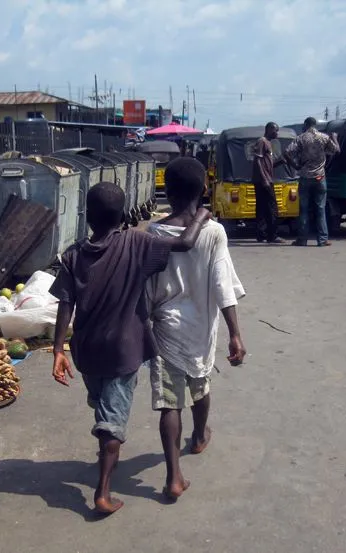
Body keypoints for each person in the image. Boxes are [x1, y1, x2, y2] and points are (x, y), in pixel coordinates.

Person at [49, 182, 211, 515]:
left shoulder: (73, 254)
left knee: (102, 404)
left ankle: (105, 446)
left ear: (88, 217)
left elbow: (65, 303)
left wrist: (58, 350)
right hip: (123, 350)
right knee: (112, 422)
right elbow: (185, 242)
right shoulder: (136, 243)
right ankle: (102, 494)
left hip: (86, 351)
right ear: (123, 215)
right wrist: (203, 214)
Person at [145, 158, 247, 500]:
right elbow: (223, 286)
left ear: (167, 192)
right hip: (200, 329)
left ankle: (174, 476)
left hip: (165, 330)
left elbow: (146, 289)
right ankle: (200, 435)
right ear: (204, 190)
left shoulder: (155, 234)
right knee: (200, 384)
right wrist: (235, 333)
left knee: (169, 404)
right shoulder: (214, 232)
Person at [284, 117, 340, 247]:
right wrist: (335, 138)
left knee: (303, 210)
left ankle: (302, 239)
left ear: (305, 125)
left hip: (305, 177)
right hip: (320, 177)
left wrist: (296, 166)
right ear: (315, 125)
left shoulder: (301, 138)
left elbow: (287, 153)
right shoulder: (324, 137)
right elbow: (336, 150)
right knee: (320, 209)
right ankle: (322, 239)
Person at [252, 122, 286, 243]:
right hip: (264, 180)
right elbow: (258, 161)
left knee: (261, 208)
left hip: (264, 179)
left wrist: (280, 162)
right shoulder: (262, 141)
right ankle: (272, 235)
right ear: (269, 129)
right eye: (275, 130)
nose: (277, 133)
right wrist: (264, 179)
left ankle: (261, 235)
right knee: (272, 208)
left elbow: (267, 164)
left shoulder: (269, 144)